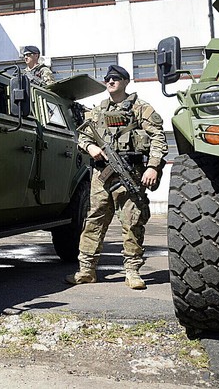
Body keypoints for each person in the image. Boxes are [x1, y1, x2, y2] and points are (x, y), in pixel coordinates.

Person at [65, 64, 167, 290]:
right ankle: (86, 270)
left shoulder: (141, 109)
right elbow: (82, 135)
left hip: (132, 172)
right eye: (108, 78)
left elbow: (159, 139)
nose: (110, 81)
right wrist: (90, 147)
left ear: (125, 82)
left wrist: (152, 167)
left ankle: (132, 271)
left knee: (132, 222)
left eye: (116, 78)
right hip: (102, 176)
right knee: (94, 221)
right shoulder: (98, 110)